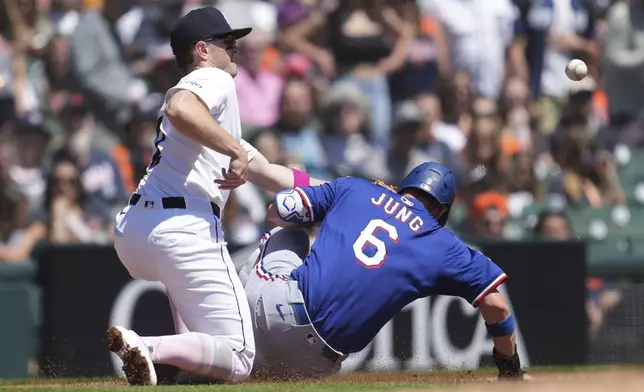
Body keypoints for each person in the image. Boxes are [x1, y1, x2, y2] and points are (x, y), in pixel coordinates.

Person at [105, 7, 324, 386]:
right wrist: (235, 152)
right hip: (183, 228)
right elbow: (180, 107)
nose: (235, 48)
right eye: (227, 42)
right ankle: (148, 347)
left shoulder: (217, 128)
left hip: (138, 229)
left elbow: (275, 174)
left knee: (206, 356)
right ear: (202, 50)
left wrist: (352, 190)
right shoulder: (212, 78)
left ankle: (172, 363)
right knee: (239, 358)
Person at [240, 162, 529, 380]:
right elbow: (498, 307)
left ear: (403, 187)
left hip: (274, 313)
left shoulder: (356, 188)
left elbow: (276, 211)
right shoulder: (443, 244)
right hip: (316, 363)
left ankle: (225, 328)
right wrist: (509, 369)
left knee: (288, 233)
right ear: (441, 212)